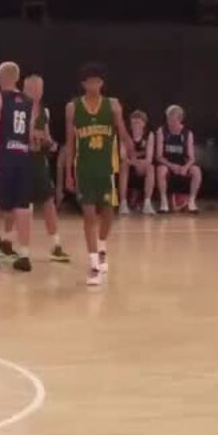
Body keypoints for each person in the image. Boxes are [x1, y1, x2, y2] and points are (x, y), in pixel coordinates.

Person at [65, 62, 133, 286]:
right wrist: (68, 173)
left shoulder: (112, 105)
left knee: (108, 213)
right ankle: (93, 264)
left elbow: (122, 131)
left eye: (97, 81)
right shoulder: (73, 107)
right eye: (89, 81)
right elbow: (70, 142)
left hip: (105, 169)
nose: (93, 85)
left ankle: (102, 246)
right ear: (83, 84)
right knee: (88, 216)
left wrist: (130, 147)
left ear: (102, 83)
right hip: (84, 169)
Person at [0, 62, 34, 272]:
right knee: (22, 208)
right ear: (17, 78)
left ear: (0, 77)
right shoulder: (29, 101)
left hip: (3, 157)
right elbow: (29, 136)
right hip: (22, 156)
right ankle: (24, 255)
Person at [23, 74, 71, 262]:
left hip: (39, 161)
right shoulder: (19, 110)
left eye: (39, 88)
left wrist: (49, 142)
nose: (36, 91)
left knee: (48, 202)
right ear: (25, 89)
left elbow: (48, 138)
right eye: (32, 88)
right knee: (17, 207)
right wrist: (31, 137)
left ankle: (56, 245)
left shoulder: (45, 111)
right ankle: (7, 242)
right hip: (21, 160)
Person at [155, 104, 202, 213]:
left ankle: (191, 202)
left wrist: (185, 167)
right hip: (167, 163)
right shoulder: (161, 131)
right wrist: (171, 166)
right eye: (168, 118)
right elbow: (158, 156)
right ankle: (164, 203)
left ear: (180, 119)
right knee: (161, 170)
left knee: (196, 171)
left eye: (172, 119)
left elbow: (192, 158)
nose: (169, 122)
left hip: (182, 164)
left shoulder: (188, 133)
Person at [119, 110, 157, 215]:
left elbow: (149, 158)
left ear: (144, 124)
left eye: (138, 122)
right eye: (133, 123)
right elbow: (123, 156)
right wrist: (135, 164)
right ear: (130, 124)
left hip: (143, 166)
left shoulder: (149, 135)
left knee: (151, 167)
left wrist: (140, 164)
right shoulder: (125, 135)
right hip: (130, 166)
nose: (136, 125)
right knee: (123, 165)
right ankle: (123, 204)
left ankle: (147, 203)